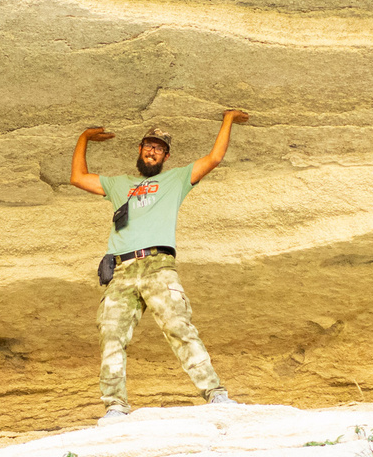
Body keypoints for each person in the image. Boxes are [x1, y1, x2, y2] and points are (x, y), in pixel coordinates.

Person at [69, 112, 248, 422]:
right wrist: (83, 138)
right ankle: (115, 407)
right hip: (121, 271)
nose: (152, 152)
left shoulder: (175, 179)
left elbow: (215, 157)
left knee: (178, 326)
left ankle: (216, 394)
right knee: (111, 333)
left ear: (166, 155)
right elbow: (78, 178)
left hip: (158, 265)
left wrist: (228, 119)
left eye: (158, 148)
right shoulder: (119, 185)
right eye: (147, 146)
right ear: (140, 149)